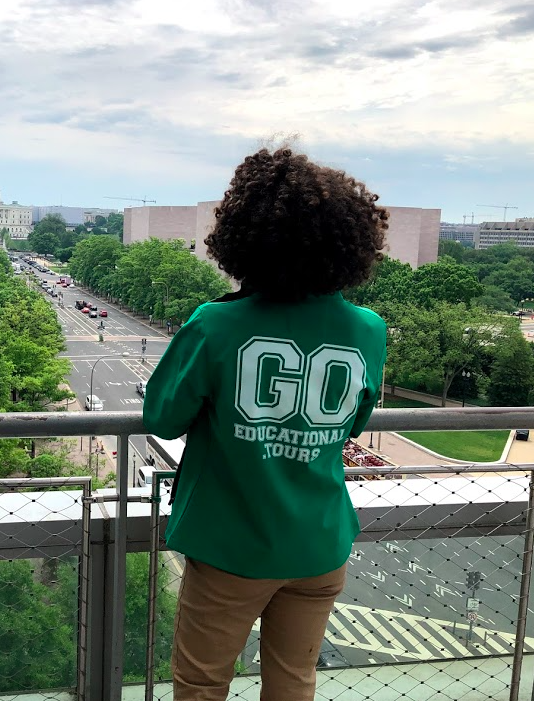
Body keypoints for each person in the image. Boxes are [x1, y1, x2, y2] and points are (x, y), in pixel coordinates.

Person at [143, 146, 388, 701]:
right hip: (320, 546)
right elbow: (350, 427)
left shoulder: (217, 322)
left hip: (233, 547)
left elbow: (162, 415)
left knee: (202, 685)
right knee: (294, 680)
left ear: (243, 239)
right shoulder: (368, 330)